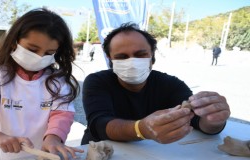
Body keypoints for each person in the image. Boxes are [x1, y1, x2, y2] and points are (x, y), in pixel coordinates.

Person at [0, 8, 83, 160]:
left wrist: (54, 138)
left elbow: (62, 115)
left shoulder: (57, 82)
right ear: (14, 42)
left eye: (49, 53)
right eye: (32, 49)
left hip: (43, 158)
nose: (39, 57)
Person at [81, 23, 230, 145]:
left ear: (152, 56)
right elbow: (99, 124)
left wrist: (214, 121)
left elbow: (197, 119)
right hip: (101, 156)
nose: (132, 62)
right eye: (122, 57)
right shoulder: (97, 81)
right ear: (110, 60)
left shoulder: (171, 85)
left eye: (140, 55)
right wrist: (141, 129)